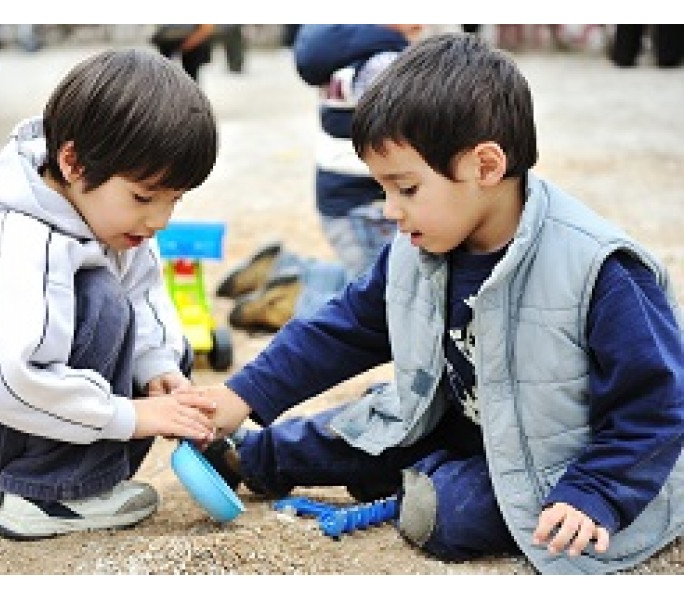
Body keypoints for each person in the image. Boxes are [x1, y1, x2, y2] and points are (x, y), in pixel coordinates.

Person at [191, 33, 684, 574]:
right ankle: (253, 456)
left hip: (561, 462)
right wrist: (244, 394)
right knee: (363, 426)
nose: (391, 211)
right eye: (383, 189)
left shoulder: (599, 269)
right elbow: (344, 328)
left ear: (486, 166)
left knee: (444, 514)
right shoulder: (420, 248)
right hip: (458, 419)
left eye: (406, 188)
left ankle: (422, 479)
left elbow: (658, 407)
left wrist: (595, 493)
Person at [0, 49, 220, 541]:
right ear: (73, 162)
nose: (159, 221)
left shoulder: (109, 220)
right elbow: (6, 380)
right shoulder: (15, 236)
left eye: (175, 200)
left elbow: (146, 298)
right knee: (102, 300)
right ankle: (50, 494)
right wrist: (127, 416)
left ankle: (24, 479)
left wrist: (159, 372)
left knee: (166, 349)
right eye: (144, 198)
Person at [218, 24, 422, 332]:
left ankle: (288, 270)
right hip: (367, 204)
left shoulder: (345, 52)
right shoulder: (385, 62)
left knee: (369, 274)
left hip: (342, 197)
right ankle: (292, 304)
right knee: (383, 300)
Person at [150, 25, 216, 82]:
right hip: (168, 44)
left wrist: (186, 45)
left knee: (191, 77)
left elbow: (206, 28)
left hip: (192, 47)